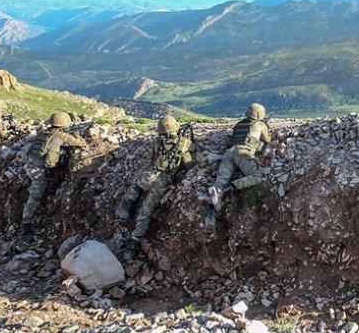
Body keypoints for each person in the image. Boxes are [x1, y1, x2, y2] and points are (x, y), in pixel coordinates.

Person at [116, 116, 194, 260]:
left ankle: (126, 210)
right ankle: (133, 243)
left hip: (148, 175)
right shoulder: (184, 143)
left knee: (135, 188)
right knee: (146, 211)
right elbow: (189, 164)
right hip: (162, 181)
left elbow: (152, 159)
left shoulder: (156, 142)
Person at [20, 112, 87, 241]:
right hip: (37, 172)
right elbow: (81, 143)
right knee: (34, 197)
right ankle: (25, 228)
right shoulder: (61, 135)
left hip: (29, 165)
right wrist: (75, 133)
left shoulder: (44, 133)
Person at [205, 103, 271, 230]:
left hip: (229, 153)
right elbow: (267, 140)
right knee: (259, 175)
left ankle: (214, 201)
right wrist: (266, 126)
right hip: (243, 152)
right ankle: (226, 190)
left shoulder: (239, 125)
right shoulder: (260, 124)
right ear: (260, 115)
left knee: (221, 179)